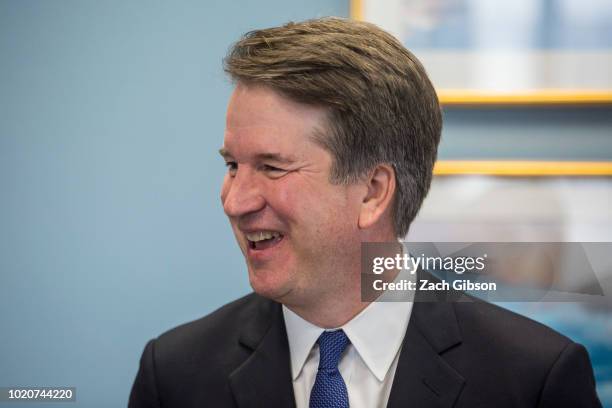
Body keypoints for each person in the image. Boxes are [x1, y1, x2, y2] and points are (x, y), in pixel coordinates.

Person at [129, 17, 601, 407]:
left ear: (373, 192)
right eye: (233, 165)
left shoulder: (534, 379)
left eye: (272, 168)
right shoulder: (173, 374)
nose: (236, 201)